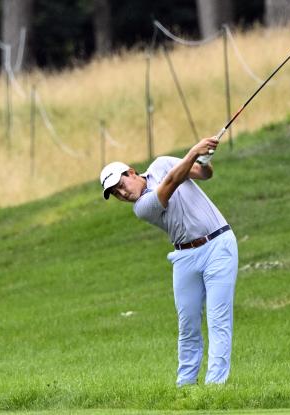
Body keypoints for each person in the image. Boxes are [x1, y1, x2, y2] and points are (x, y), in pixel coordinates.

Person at [100, 137, 238, 387]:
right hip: (184, 256)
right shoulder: (142, 207)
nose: (123, 193)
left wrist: (204, 159)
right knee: (188, 325)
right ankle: (185, 387)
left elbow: (204, 174)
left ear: (131, 172)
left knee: (218, 319)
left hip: (219, 244)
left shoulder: (162, 163)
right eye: (117, 194)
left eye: (121, 185)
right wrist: (193, 150)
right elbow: (173, 182)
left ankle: (216, 387)